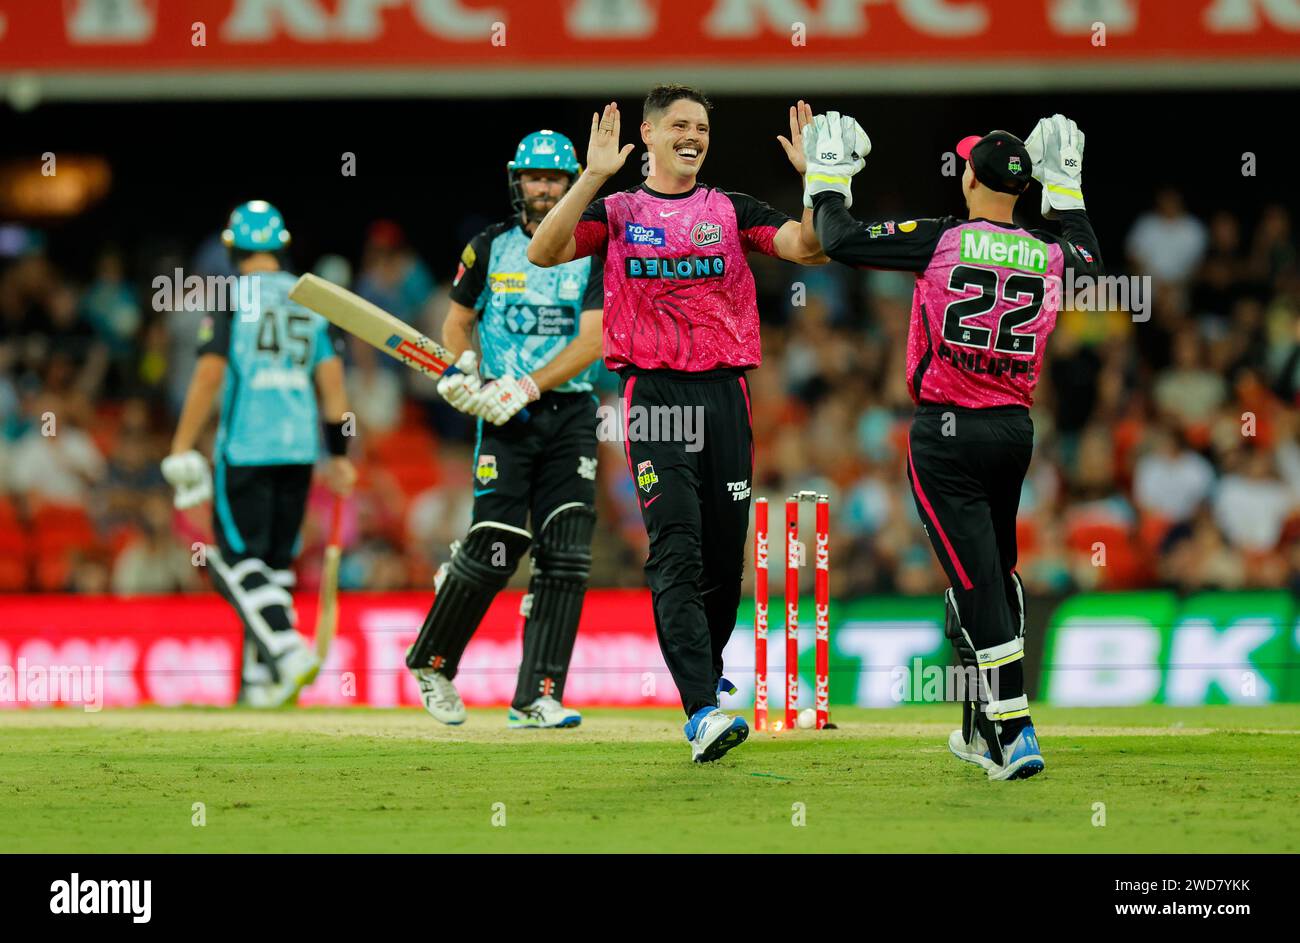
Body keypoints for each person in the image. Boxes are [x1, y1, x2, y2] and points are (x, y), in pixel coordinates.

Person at [528, 86, 830, 762]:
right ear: (650, 134)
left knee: (723, 558)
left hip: (726, 395)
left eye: (702, 127)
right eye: (680, 126)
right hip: (654, 394)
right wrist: (592, 175)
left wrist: (818, 180)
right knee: (677, 547)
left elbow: (810, 248)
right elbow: (544, 252)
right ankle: (701, 709)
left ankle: (707, 671)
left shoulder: (730, 209)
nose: (693, 136)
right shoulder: (617, 210)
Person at [808, 113, 1105, 780]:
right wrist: (1069, 194)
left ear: (970, 179)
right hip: (1014, 432)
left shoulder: (943, 239)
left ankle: (1015, 730)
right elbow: (1091, 261)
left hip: (946, 433)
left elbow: (839, 239)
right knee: (990, 574)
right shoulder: (1050, 251)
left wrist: (828, 177)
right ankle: (978, 731)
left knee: (976, 587)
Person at [403, 131, 605, 729]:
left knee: (565, 555)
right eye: (533, 178)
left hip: (568, 410)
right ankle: (432, 662)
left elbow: (595, 339)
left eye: (554, 179)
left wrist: (529, 384)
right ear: (517, 182)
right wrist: (460, 369)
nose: (543, 189)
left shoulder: (592, 251)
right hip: (502, 416)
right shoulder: (489, 247)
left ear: (571, 185)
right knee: (494, 547)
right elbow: (457, 322)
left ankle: (536, 696)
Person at [163, 201, 357, 707]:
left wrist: (181, 444)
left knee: (234, 558)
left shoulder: (231, 295)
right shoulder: (311, 297)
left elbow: (209, 373)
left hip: (247, 444)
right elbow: (333, 384)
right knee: (275, 566)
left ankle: (287, 651)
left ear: (233, 248)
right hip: (299, 448)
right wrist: (338, 454)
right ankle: (261, 682)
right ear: (282, 246)